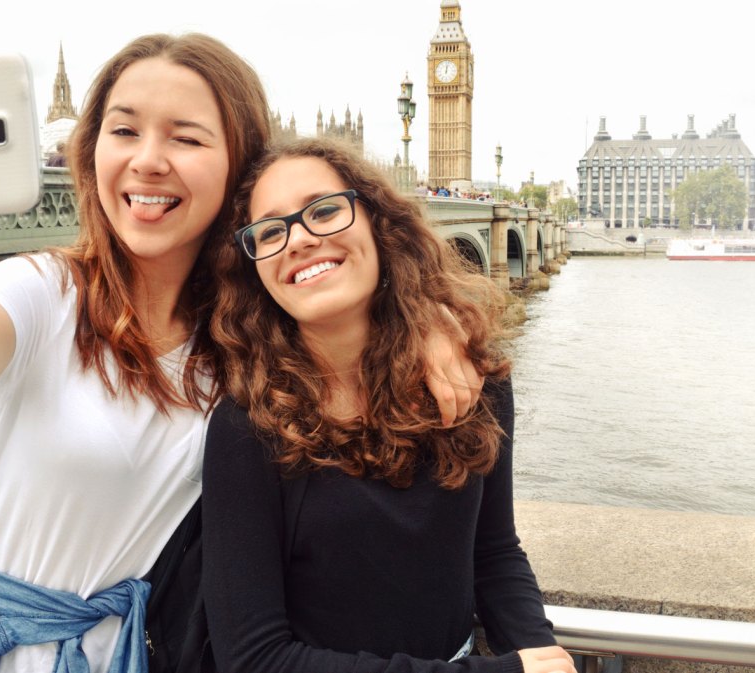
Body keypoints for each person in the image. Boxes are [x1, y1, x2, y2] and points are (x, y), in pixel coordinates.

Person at [0, 39, 481, 673]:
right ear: (91, 151)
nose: (148, 161)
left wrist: (427, 326)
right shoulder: (39, 293)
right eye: (123, 131)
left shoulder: (252, 336)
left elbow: (362, 315)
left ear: (239, 173)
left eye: (187, 138)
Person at [202, 137, 574, 673]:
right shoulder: (249, 426)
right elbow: (254, 658)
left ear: (378, 223)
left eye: (324, 210)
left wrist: (542, 652)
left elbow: (492, 553)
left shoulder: (474, 381)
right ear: (255, 267)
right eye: (271, 230)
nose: (300, 239)